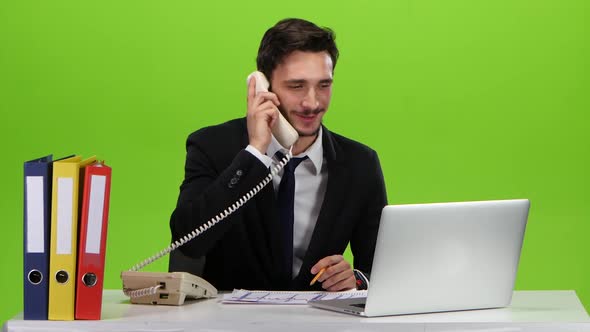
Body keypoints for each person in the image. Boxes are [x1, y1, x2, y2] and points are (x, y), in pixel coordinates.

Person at [169, 18, 387, 291]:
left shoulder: (360, 164)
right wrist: (255, 153)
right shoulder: (212, 146)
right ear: (264, 86)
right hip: (228, 322)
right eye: (296, 86)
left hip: (318, 322)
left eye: (323, 85)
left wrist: (355, 279)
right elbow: (188, 240)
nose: (312, 102)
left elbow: (381, 269)